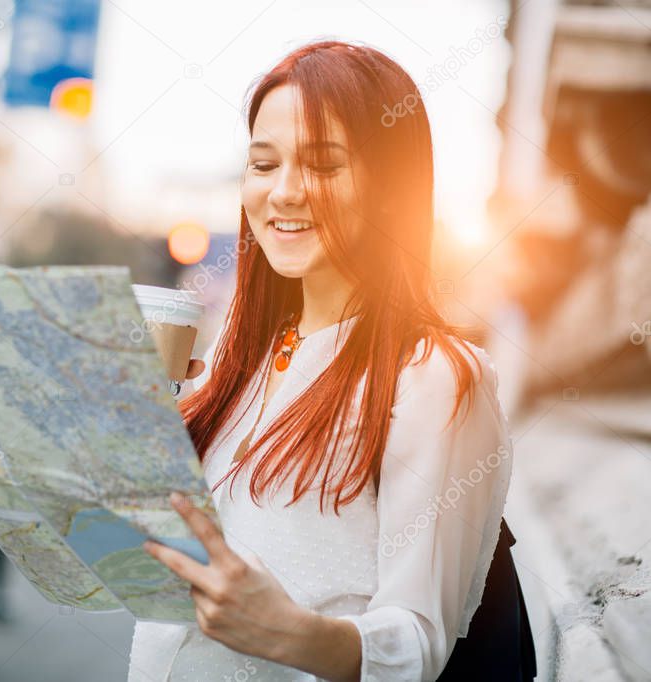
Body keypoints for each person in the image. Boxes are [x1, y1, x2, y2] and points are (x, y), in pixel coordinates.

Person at [133, 41, 536, 681]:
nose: (285, 193)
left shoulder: (432, 376)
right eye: (263, 165)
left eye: (323, 165)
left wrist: (294, 635)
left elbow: (419, 639)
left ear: (387, 187)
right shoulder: (236, 360)